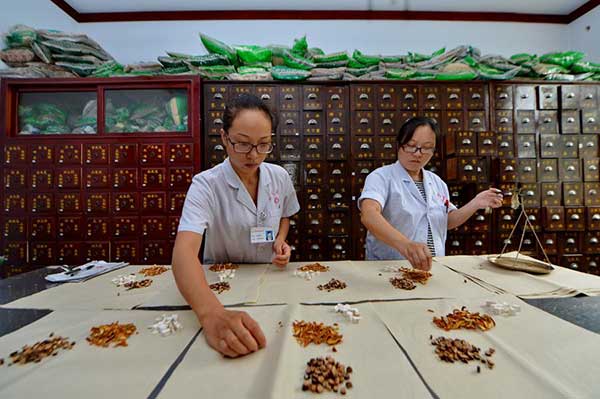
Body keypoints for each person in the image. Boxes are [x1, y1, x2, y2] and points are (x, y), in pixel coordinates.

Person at [172, 94, 300, 358]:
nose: (253, 155)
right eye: (242, 144)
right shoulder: (205, 185)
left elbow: (286, 215)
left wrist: (280, 240)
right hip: (219, 283)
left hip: (267, 276)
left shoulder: (278, 177)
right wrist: (211, 314)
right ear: (224, 138)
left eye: (263, 144)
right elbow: (184, 252)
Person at [358, 117, 503, 271]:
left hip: (433, 265)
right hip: (390, 265)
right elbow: (369, 214)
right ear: (399, 145)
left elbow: (446, 221)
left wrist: (475, 203)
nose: (418, 153)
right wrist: (405, 245)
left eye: (426, 148)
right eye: (411, 146)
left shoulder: (437, 182)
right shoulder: (381, 177)